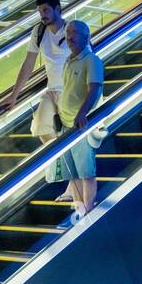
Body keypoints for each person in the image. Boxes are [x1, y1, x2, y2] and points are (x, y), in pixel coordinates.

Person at [0, 0, 75, 198]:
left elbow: (87, 59)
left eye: (46, 10)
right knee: (40, 126)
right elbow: (28, 64)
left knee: (72, 139)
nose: (42, 15)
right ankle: (67, 168)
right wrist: (14, 95)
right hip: (52, 90)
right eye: (40, 11)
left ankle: (73, 185)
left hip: (72, 91)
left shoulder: (71, 30)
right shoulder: (39, 31)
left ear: (58, 9)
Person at [51, 19, 104, 221]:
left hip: (81, 126)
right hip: (66, 123)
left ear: (86, 36)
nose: (70, 37)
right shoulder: (68, 61)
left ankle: (89, 208)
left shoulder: (91, 60)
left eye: (74, 33)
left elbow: (95, 88)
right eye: (68, 33)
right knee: (72, 170)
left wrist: (82, 113)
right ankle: (80, 207)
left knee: (85, 169)